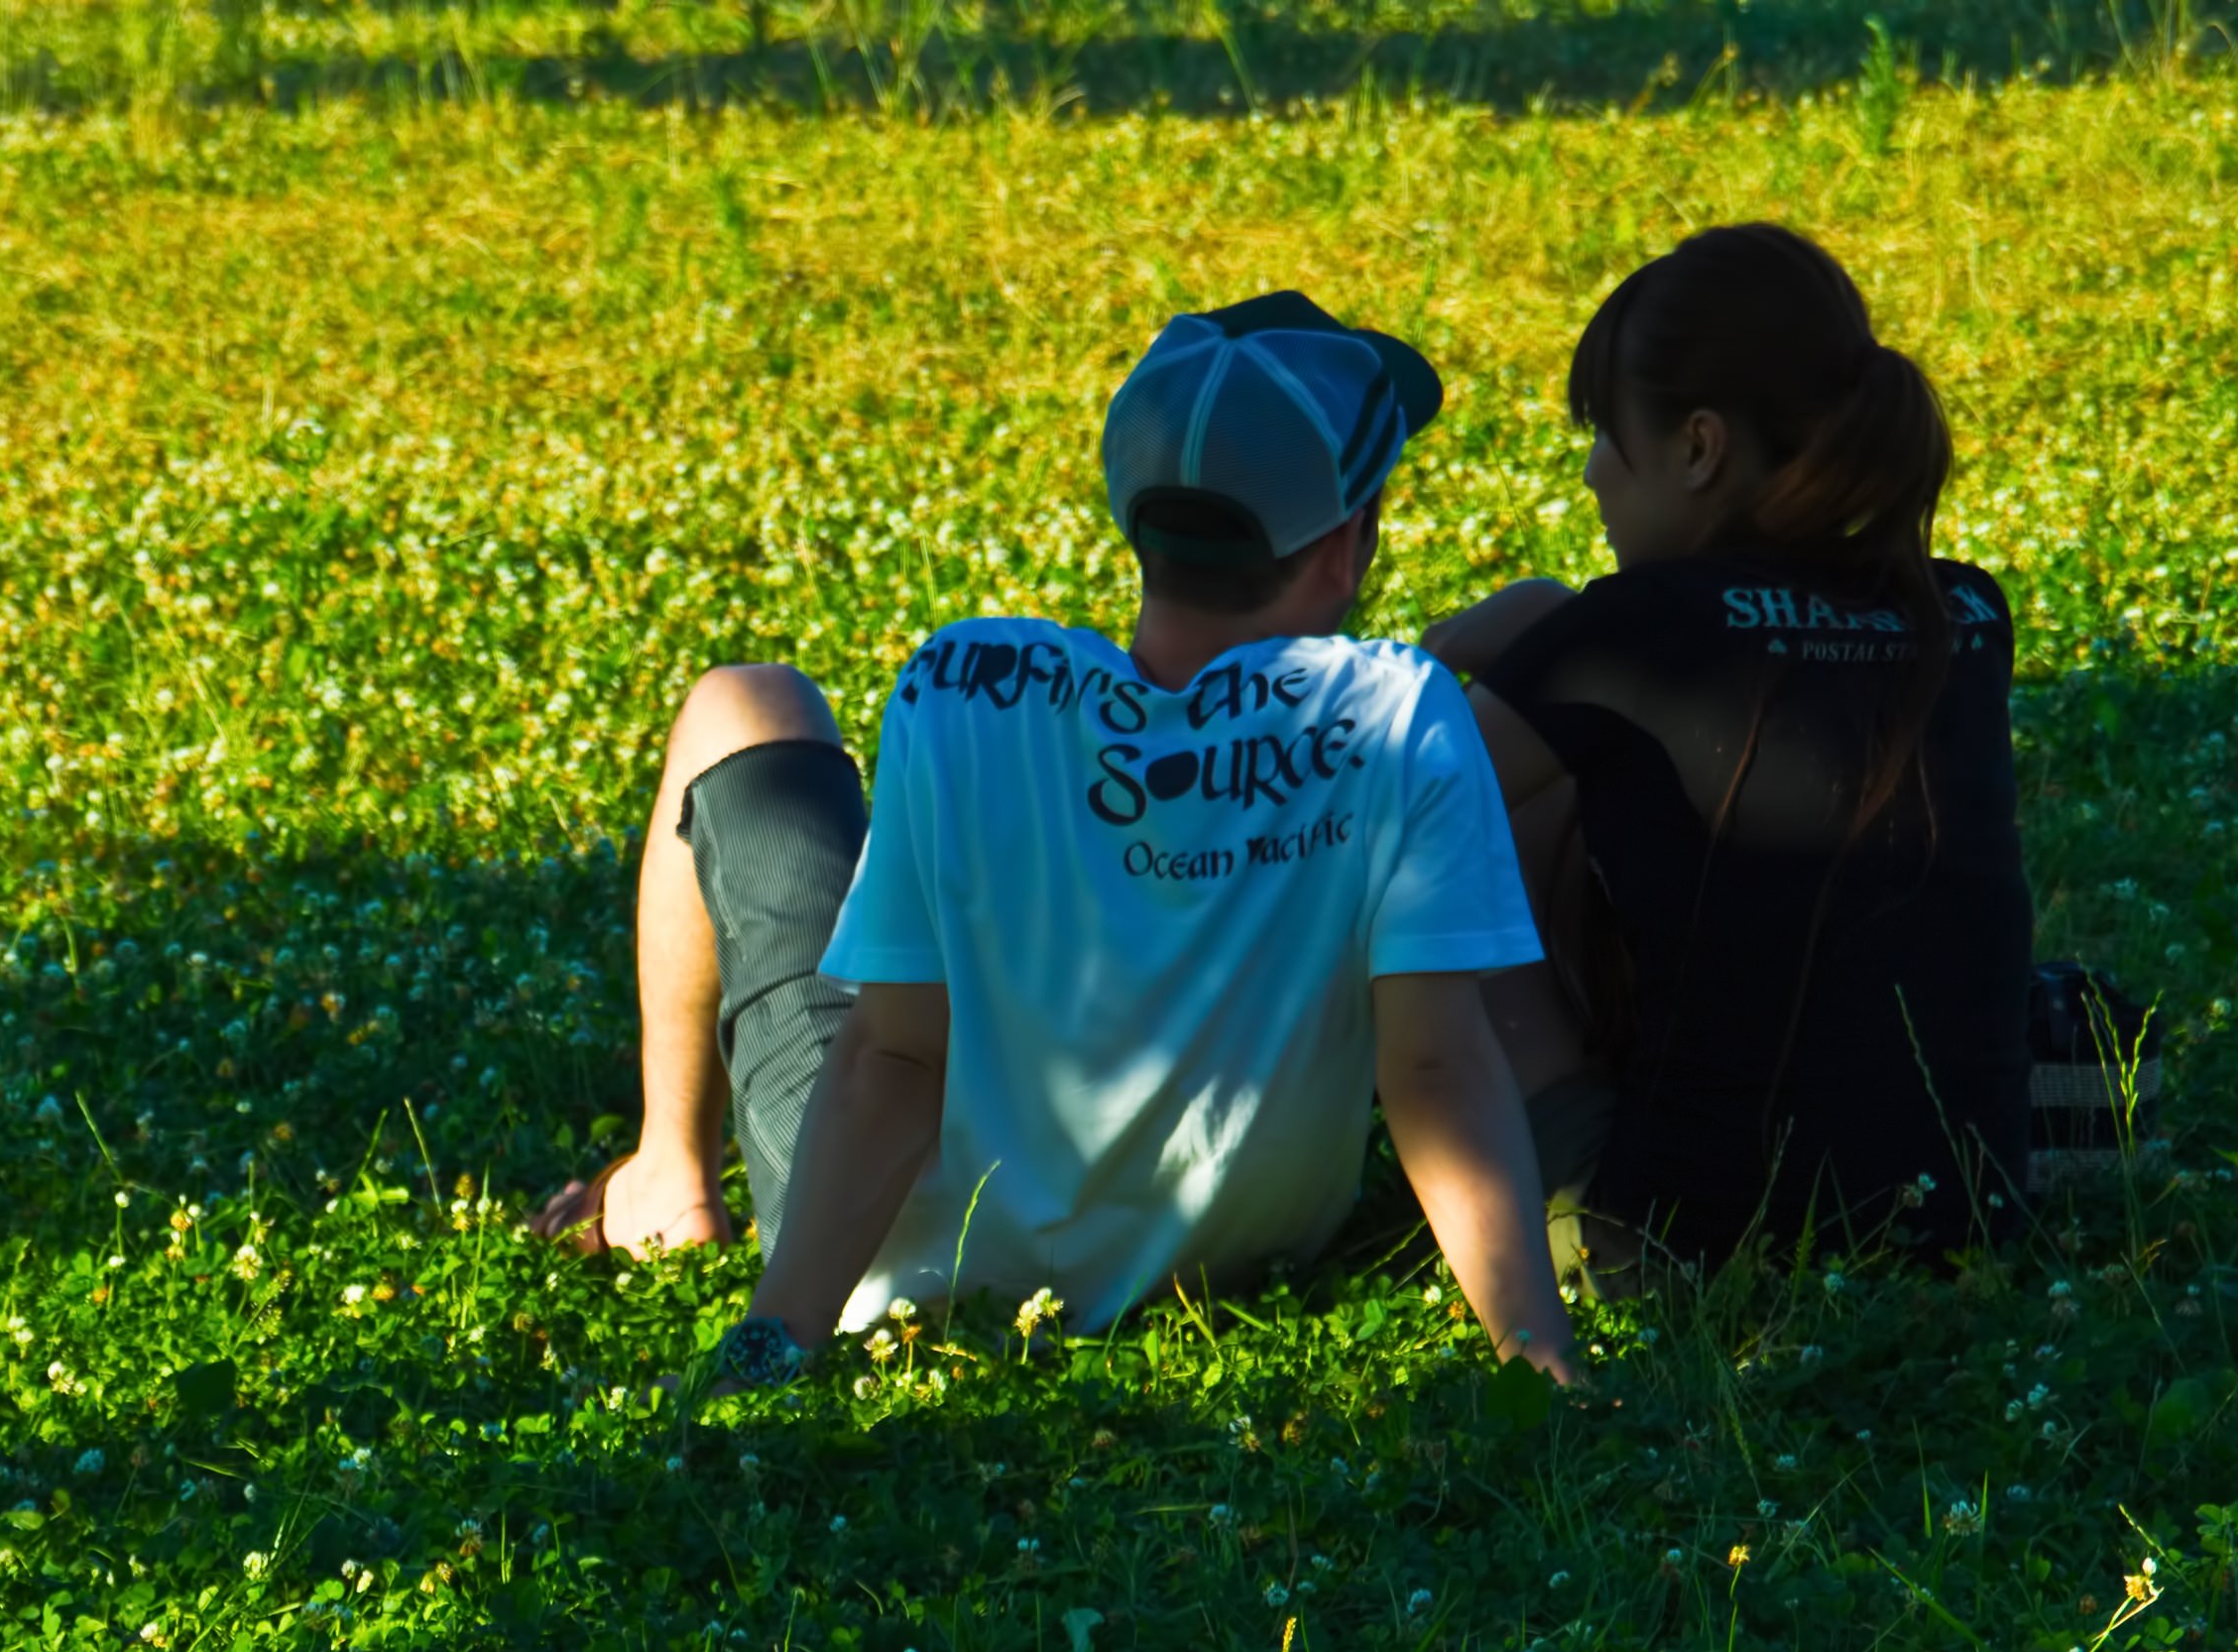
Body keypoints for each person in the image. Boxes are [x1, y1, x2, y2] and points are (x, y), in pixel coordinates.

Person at [533, 293, 1582, 1392]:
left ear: (1136, 520)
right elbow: (1434, 1063)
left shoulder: (965, 689)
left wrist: (774, 1341)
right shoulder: (1399, 722)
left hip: (908, 1259)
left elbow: (894, 1062)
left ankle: (669, 1174)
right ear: (1348, 543)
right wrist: (1536, 1350)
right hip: (1235, 1255)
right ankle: (667, 1176)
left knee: (743, 700)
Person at [1421, 222, 2033, 1270]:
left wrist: (1440, 660)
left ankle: (1564, 1191)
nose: (1590, 472)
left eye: (1611, 436)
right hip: (1968, 1215)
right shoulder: (1963, 613)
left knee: (1443, 868)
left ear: (1700, 447)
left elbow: (1377, 813)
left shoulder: (1628, 638)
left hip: (1678, 1241)